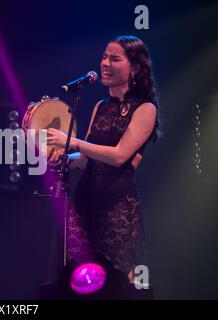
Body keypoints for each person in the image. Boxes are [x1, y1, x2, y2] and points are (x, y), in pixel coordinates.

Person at [47, 35, 160, 297]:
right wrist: (64, 156)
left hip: (117, 206)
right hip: (87, 199)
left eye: (115, 58)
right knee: (80, 278)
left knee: (118, 282)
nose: (105, 63)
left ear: (134, 67)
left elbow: (120, 156)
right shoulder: (100, 106)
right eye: (104, 57)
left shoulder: (145, 109)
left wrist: (73, 142)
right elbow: (87, 159)